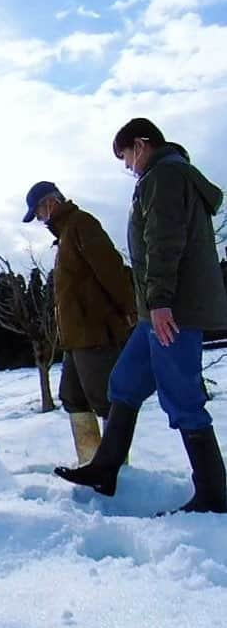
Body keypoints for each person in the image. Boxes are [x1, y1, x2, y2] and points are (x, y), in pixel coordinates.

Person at [54, 118, 227, 513]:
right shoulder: (164, 176)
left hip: (173, 311)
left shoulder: (164, 177)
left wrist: (161, 301)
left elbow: (163, 242)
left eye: (126, 155)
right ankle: (106, 467)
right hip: (158, 311)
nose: (127, 166)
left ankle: (214, 493)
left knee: (182, 397)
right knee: (125, 382)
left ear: (142, 144)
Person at [22, 181, 135, 463]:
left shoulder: (82, 224)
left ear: (50, 203)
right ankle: (89, 461)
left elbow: (110, 269)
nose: (39, 219)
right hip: (74, 337)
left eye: (38, 212)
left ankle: (115, 468)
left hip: (96, 332)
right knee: (72, 397)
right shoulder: (64, 236)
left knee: (105, 400)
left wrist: (130, 308)